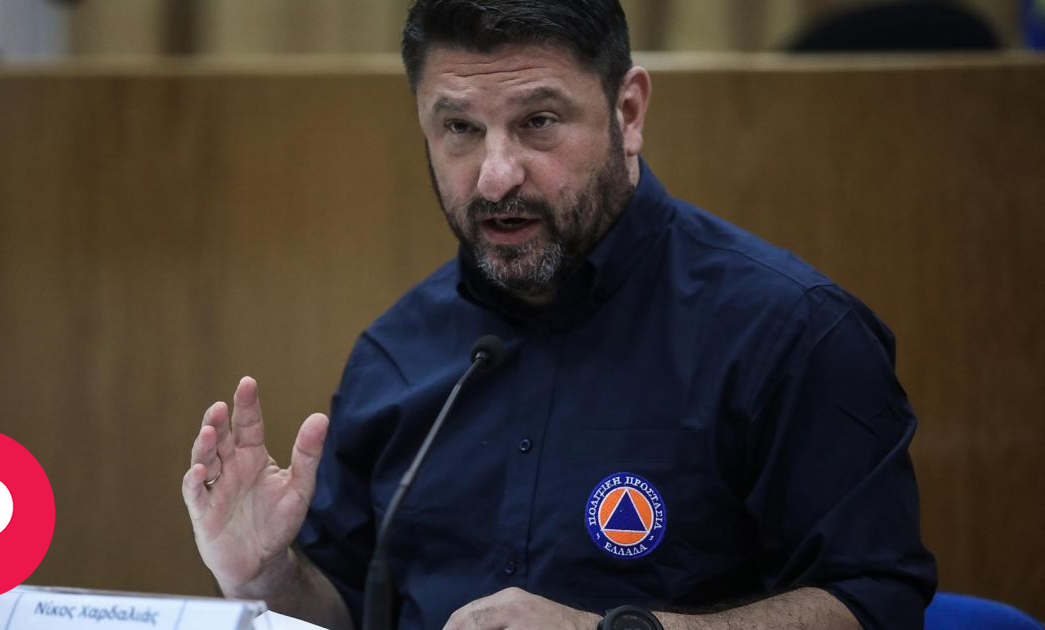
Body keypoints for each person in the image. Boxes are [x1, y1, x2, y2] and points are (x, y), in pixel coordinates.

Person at [181, 1, 937, 628]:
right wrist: (267, 576)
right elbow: (347, 610)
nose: (496, 176)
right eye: (459, 129)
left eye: (538, 121)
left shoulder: (791, 334)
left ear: (628, 111)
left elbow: (876, 603)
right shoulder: (394, 355)